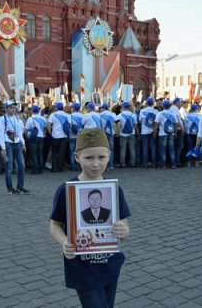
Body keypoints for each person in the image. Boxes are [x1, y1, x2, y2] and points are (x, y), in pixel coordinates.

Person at [49, 128, 131, 308]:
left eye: (101, 157)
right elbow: (55, 225)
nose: (95, 164)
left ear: (109, 155)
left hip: (110, 265)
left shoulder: (114, 189)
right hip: (83, 268)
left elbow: (124, 226)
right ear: (77, 157)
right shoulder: (67, 190)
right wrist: (64, 242)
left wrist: (123, 231)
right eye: (89, 158)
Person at [0, 100, 29, 195]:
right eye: (11, 107)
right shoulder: (3, 119)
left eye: (14, 108)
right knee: (9, 167)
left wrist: (23, 142)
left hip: (17, 144)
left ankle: (20, 186)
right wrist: (3, 147)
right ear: (6, 108)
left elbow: (19, 132)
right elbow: (0, 134)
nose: (13, 109)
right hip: (8, 144)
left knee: (22, 165)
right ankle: (10, 188)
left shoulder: (16, 118)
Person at [153, 100, 177, 169]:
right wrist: (175, 132)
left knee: (162, 149)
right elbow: (176, 124)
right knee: (171, 149)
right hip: (171, 133)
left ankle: (163, 165)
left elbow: (156, 124)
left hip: (162, 134)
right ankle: (173, 164)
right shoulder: (173, 114)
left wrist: (155, 132)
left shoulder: (160, 114)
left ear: (163, 106)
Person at [48, 102, 71, 172]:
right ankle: (60, 168)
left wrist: (50, 133)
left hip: (55, 135)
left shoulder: (53, 115)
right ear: (63, 107)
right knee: (62, 152)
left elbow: (48, 125)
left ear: (56, 108)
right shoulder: (67, 115)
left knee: (54, 152)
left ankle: (54, 168)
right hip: (64, 136)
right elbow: (69, 125)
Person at [24, 105, 47, 174]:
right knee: (40, 153)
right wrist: (44, 135)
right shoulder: (43, 119)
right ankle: (41, 169)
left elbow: (26, 130)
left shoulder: (30, 119)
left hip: (33, 138)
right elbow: (45, 129)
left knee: (34, 154)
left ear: (32, 111)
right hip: (41, 137)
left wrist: (27, 136)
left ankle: (35, 169)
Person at [139, 98, 158, 169]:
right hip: (152, 131)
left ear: (146, 103)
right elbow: (156, 122)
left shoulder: (142, 111)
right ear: (153, 103)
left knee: (145, 148)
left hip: (144, 131)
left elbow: (140, 121)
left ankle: (145, 164)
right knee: (153, 148)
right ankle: (153, 164)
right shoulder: (155, 111)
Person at [118, 101, 137, 168]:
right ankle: (133, 163)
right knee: (132, 149)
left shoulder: (120, 115)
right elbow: (135, 125)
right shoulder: (133, 115)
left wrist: (118, 132)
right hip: (131, 133)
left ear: (122, 107)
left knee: (123, 149)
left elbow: (118, 125)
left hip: (122, 134)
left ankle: (122, 163)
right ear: (129, 107)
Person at [69, 103, 84, 171]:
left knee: (72, 152)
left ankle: (73, 166)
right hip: (80, 136)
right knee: (80, 152)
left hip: (72, 136)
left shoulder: (70, 116)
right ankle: (80, 166)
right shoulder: (83, 116)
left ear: (73, 108)